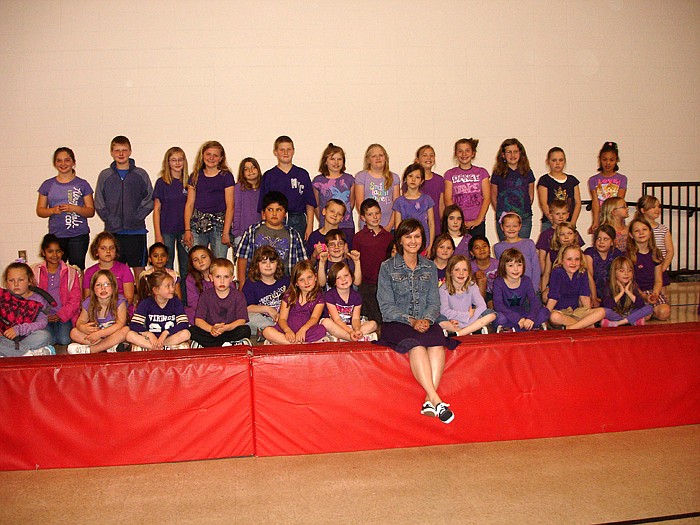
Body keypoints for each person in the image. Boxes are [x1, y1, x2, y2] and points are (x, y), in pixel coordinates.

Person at [376, 219, 459, 424]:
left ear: (422, 240)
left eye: (417, 236)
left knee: (438, 344)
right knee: (418, 347)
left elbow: (434, 302)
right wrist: (412, 321)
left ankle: (429, 402)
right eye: (408, 236)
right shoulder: (387, 267)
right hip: (396, 323)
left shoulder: (429, 267)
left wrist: (427, 319)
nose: (413, 241)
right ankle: (437, 399)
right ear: (400, 240)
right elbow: (386, 307)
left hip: (425, 321)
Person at [94, 135, 153, 278]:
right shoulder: (105, 175)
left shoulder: (140, 174)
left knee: (139, 269)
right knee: (113, 271)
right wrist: (109, 219)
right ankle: (114, 299)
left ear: (130, 151)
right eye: (117, 150)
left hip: (136, 231)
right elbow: (99, 201)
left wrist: (137, 216)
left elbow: (149, 198)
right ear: (112, 152)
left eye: (124, 150)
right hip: (113, 232)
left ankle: (142, 300)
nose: (121, 154)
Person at [36, 147, 95, 270]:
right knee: (56, 269)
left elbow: (91, 211)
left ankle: (78, 290)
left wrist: (75, 208)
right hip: (56, 235)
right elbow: (40, 211)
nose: (63, 164)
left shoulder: (82, 184)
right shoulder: (47, 184)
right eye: (59, 161)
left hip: (78, 235)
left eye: (67, 160)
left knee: (77, 269)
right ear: (55, 163)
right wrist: (53, 210)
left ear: (73, 162)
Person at [235, 191, 307, 288]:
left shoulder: (293, 235)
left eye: (278, 210)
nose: (274, 213)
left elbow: (302, 263)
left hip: (284, 285)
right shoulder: (252, 231)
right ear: (263, 213)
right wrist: (242, 284)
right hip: (255, 283)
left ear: (285, 214)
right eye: (270, 209)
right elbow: (242, 258)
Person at [182, 140, 234, 259]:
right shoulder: (195, 176)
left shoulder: (226, 176)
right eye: (208, 154)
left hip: (220, 225)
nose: (211, 158)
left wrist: (226, 232)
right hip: (197, 223)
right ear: (203, 156)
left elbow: (230, 205)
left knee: (220, 261)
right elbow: (189, 205)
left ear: (221, 158)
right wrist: (187, 230)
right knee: (197, 261)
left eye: (215, 155)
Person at [258, 135, 316, 240]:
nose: (286, 153)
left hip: (298, 219)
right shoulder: (269, 176)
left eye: (289, 149)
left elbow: (310, 203)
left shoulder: (302, 174)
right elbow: (264, 205)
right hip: (275, 220)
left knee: (297, 253)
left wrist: (310, 226)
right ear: (275, 152)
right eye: (282, 150)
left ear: (293, 151)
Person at [31, 234, 82, 346]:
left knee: (64, 340)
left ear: (62, 252)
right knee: (49, 339)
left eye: (58, 251)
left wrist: (61, 315)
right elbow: (31, 296)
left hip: (64, 315)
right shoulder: (35, 272)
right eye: (50, 251)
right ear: (43, 252)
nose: (54, 255)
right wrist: (43, 315)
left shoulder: (71, 272)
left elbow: (75, 299)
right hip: (43, 315)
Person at [262, 260, 327, 344]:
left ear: (315, 277)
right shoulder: (289, 296)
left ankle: (287, 344)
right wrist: (287, 331)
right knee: (267, 331)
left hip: (306, 329)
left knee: (321, 330)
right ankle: (298, 344)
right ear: (296, 283)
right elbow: (282, 319)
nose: (306, 282)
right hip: (288, 327)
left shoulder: (319, 297)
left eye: (309, 277)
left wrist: (303, 329)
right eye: (301, 280)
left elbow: (314, 318)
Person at [190, 258, 251, 347]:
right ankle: (228, 344)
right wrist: (211, 329)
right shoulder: (205, 295)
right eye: (218, 277)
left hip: (230, 330)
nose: (222, 281)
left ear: (232, 278)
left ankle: (213, 344)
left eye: (226, 277)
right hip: (211, 331)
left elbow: (241, 320)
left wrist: (226, 328)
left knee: (245, 330)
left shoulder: (238, 295)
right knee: (193, 330)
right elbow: (198, 320)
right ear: (211, 278)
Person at [152, 147, 189, 291]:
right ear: (168, 162)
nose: (177, 163)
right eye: (174, 160)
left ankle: (185, 302)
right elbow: (156, 210)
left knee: (186, 267)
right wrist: (158, 234)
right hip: (166, 230)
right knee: (167, 267)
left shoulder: (189, 181)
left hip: (185, 230)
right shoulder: (162, 182)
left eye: (180, 159)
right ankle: (167, 297)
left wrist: (188, 230)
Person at [352, 198, 393, 325]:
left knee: (383, 315)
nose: (375, 217)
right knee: (368, 315)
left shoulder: (388, 236)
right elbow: (355, 261)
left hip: (384, 283)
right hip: (365, 284)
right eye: (370, 214)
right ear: (363, 218)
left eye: (377, 213)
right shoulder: (358, 237)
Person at [67, 269, 129, 354]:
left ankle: (92, 350)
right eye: (98, 285)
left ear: (114, 286)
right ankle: (108, 347)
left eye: (107, 284)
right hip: (97, 337)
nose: (103, 288)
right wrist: (83, 327)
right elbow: (80, 322)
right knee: (74, 332)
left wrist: (100, 333)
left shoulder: (120, 301)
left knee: (125, 330)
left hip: (113, 335)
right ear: (93, 288)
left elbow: (120, 324)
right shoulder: (89, 302)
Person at [0, 262, 55, 357]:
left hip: (28, 336)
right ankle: (28, 353)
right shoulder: (3, 298)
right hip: (7, 337)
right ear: (6, 282)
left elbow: (42, 322)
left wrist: (19, 329)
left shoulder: (38, 299)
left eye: (20, 280)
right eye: (11, 280)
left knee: (45, 336)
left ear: (29, 281)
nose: (16, 284)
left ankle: (12, 352)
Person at [127, 270, 190, 351]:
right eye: (168, 286)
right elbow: (134, 325)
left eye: (172, 285)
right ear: (156, 290)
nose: (172, 289)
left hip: (168, 337)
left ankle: (158, 347)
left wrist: (166, 333)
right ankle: (160, 347)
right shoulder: (146, 303)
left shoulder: (176, 302)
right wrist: (148, 334)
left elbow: (184, 324)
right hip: (151, 339)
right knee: (130, 335)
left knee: (186, 334)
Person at [546, 244, 605, 330]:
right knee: (554, 317)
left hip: (577, 312)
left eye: (577, 259)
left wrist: (588, 313)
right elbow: (553, 296)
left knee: (602, 311)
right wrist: (546, 315)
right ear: (562, 260)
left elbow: (584, 296)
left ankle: (571, 328)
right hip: (561, 312)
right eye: (569, 259)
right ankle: (584, 326)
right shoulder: (557, 272)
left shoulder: (582, 272)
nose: (573, 263)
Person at [438, 255, 496, 336]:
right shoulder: (443, 289)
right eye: (457, 270)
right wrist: (466, 315)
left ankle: (460, 333)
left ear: (468, 272)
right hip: (453, 320)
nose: (461, 273)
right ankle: (471, 330)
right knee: (440, 321)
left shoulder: (472, 285)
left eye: (465, 270)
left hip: (469, 320)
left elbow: (482, 306)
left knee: (491, 314)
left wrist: (467, 321)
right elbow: (444, 311)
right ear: (450, 272)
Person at [493, 249, 549, 332]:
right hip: (507, 315)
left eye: (519, 265)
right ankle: (526, 328)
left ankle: (516, 328)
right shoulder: (499, 282)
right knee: (499, 318)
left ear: (524, 266)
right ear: (503, 267)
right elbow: (498, 305)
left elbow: (534, 301)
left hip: (523, 315)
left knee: (545, 312)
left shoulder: (526, 280)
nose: (516, 269)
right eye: (511, 265)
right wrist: (517, 319)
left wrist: (531, 318)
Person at [443, 138, 490, 238]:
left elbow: (487, 198)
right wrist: (459, 220)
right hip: (458, 224)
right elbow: (448, 199)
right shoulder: (449, 174)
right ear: (456, 154)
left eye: (467, 151)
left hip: (477, 222)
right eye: (460, 151)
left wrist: (479, 220)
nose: (464, 154)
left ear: (473, 153)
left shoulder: (482, 173)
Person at [626, 217, 671, 321]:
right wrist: (643, 296)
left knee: (664, 313)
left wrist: (654, 294)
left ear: (650, 232)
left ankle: (651, 310)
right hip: (636, 292)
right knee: (644, 316)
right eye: (637, 231)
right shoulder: (629, 256)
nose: (641, 233)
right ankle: (647, 311)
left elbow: (659, 279)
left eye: (644, 229)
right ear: (631, 235)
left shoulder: (656, 253)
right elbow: (630, 282)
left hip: (652, 291)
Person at [241, 246, 290, 341]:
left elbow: (293, 302)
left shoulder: (285, 281)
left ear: (278, 264)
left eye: (272, 262)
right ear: (257, 265)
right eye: (263, 262)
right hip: (263, 319)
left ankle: (270, 333)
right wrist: (267, 309)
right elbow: (246, 308)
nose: (268, 265)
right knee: (246, 319)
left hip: (283, 317)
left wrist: (282, 316)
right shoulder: (250, 283)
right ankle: (273, 332)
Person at [320, 262, 378, 342]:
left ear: (351, 275)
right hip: (337, 326)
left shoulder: (356, 296)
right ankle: (350, 338)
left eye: (346, 275)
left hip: (352, 325)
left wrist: (357, 330)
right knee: (325, 322)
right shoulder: (329, 295)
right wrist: (350, 332)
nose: (343, 279)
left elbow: (356, 318)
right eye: (338, 278)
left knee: (373, 324)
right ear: (333, 281)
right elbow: (336, 319)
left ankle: (354, 336)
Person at [491, 138, 536, 240]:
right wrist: (502, 213)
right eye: (509, 152)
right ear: (503, 155)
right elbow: (493, 196)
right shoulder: (498, 172)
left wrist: (522, 210)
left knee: (522, 247)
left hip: (524, 217)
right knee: (506, 249)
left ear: (520, 153)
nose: (512, 155)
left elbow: (531, 195)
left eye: (515, 152)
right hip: (504, 217)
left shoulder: (527, 171)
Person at [313, 143, 356, 246]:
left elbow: (351, 203)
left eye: (339, 159)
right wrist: (325, 220)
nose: (336, 162)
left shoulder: (349, 179)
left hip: (346, 225)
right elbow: (316, 205)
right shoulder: (318, 181)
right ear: (325, 161)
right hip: (326, 226)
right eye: (332, 159)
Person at [82, 232, 135, 312]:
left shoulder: (124, 269)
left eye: (112, 248)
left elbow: (129, 298)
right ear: (96, 251)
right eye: (103, 248)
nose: (108, 251)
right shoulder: (90, 272)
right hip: (98, 311)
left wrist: (115, 311)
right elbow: (88, 298)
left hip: (121, 310)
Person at [354, 144, 400, 231]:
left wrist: (389, 226)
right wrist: (371, 225)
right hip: (368, 226)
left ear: (386, 158)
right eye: (374, 156)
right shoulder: (361, 176)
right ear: (368, 160)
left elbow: (397, 205)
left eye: (381, 155)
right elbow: (360, 204)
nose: (378, 158)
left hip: (389, 226)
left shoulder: (394, 177)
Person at [600, 256, 654, 327]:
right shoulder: (609, 285)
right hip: (615, 314)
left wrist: (628, 292)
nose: (626, 273)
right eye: (622, 271)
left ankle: (621, 323)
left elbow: (641, 305)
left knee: (649, 308)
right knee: (604, 311)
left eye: (629, 270)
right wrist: (621, 293)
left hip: (629, 313)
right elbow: (607, 306)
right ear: (614, 272)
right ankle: (632, 320)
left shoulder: (633, 284)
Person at [394, 163, 436, 254]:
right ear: (405, 179)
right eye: (410, 176)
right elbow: (398, 226)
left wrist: (431, 244)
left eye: (417, 177)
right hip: (406, 244)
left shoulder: (427, 200)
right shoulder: (399, 202)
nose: (413, 180)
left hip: (424, 243)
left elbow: (431, 224)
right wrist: (399, 244)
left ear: (421, 181)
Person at [536, 147, 581, 231]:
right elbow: (543, 203)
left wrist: (572, 223)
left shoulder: (572, 180)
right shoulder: (544, 180)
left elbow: (578, 203)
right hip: (550, 223)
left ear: (564, 161)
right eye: (554, 160)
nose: (557, 163)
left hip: (568, 223)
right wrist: (553, 222)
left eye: (561, 160)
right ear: (548, 162)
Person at [535, 199, 584, 275]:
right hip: (552, 272)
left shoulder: (573, 232)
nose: (561, 216)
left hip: (572, 271)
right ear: (551, 216)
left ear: (568, 215)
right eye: (557, 214)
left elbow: (579, 253)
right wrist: (544, 274)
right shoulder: (545, 234)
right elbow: (542, 257)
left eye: (563, 213)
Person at [588, 141, 627, 234]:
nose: (608, 163)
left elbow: (619, 201)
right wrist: (595, 221)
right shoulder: (593, 180)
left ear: (617, 160)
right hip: (602, 218)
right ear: (600, 160)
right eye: (604, 159)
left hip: (616, 218)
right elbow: (595, 202)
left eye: (611, 160)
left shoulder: (622, 179)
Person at [493, 212, 541, 289]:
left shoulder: (529, 243)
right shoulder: (498, 247)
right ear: (502, 227)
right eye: (507, 226)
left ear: (520, 226)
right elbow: (501, 270)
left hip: (529, 287)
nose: (511, 229)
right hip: (509, 288)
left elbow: (536, 267)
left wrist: (534, 288)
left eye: (515, 226)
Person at [635, 195, 673, 290]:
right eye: (653, 207)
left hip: (659, 269)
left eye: (658, 206)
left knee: (660, 297)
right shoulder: (635, 228)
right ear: (643, 210)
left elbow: (670, 251)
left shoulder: (663, 229)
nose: (657, 209)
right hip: (641, 271)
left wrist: (662, 269)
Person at [540, 221, 582, 300]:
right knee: (546, 296)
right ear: (557, 237)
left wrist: (593, 295)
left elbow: (587, 274)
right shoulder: (551, 254)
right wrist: (543, 291)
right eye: (562, 234)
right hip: (555, 286)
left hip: (575, 286)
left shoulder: (579, 253)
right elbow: (546, 274)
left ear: (575, 235)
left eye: (570, 233)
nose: (566, 237)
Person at [584, 225, 623, 308]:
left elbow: (620, 276)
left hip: (611, 292)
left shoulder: (617, 254)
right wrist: (594, 297)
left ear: (612, 242)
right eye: (598, 238)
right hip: (592, 291)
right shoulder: (589, 253)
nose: (601, 242)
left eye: (606, 239)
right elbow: (589, 277)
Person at [232, 157, 262, 254]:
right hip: (242, 233)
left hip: (260, 234)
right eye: (246, 169)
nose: (250, 171)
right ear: (242, 173)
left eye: (253, 167)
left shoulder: (264, 187)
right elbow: (237, 210)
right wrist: (236, 233)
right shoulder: (239, 188)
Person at [415, 145, 445, 236]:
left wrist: (443, 225)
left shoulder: (439, 180)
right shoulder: (412, 180)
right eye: (424, 155)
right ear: (417, 160)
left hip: (435, 227)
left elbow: (441, 205)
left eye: (431, 155)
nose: (428, 157)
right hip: (416, 227)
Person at [184, 245, 214, 324]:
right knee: (187, 313)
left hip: (220, 309)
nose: (200, 261)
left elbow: (230, 295)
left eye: (203, 257)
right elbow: (193, 301)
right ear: (192, 264)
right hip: (201, 311)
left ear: (210, 257)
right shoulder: (191, 278)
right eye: (196, 260)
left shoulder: (221, 272)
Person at [469, 235, 498, 307]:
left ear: (489, 249)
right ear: (472, 253)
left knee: (492, 306)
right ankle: (479, 308)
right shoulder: (469, 266)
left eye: (484, 246)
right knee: (481, 278)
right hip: (477, 295)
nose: (481, 249)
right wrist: (474, 276)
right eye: (477, 248)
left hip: (496, 294)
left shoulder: (498, 264)